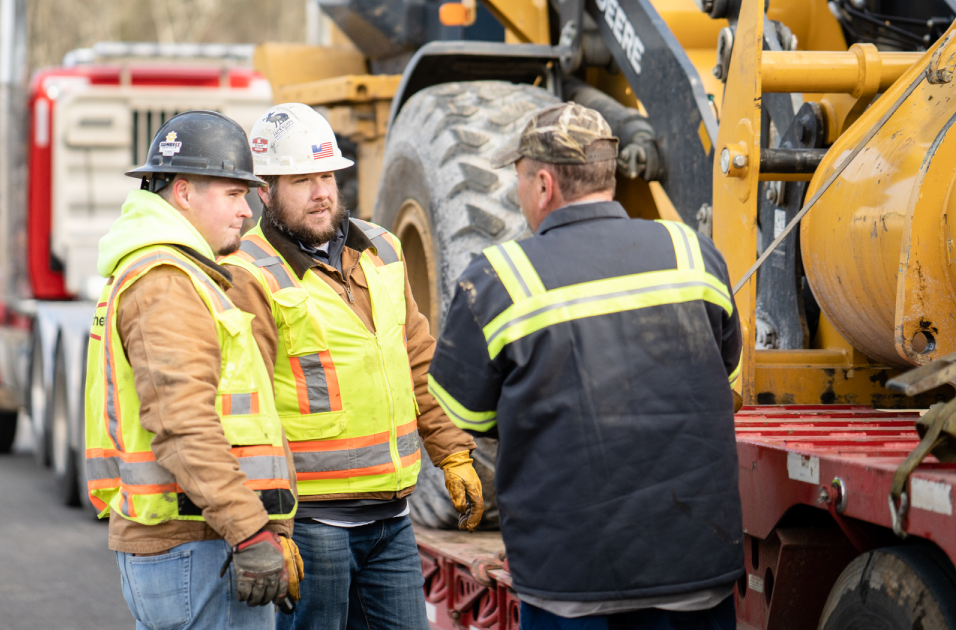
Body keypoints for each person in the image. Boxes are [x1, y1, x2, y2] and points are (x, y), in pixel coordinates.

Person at [427, 102, 744, 630]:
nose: (520, 192)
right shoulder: (693, 251)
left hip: (572, 579)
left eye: (520, 179)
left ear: (544, 184)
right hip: (698, 570)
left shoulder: (499, 277)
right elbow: (725, 384)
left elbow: (469, 419)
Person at [221, 103, 484, 630]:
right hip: (315, 522)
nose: (321, 192)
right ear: (264, 192)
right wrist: (266, 523)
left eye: (327, 175)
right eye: (302, 181)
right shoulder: (247, 273)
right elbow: (243, 412)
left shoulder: (382, 249)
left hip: (391, 517)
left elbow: (417, 358)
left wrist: (452, 451)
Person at [84, 110, 305, 630]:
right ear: (183, 192)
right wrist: (250, 531)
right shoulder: (166, 282)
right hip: (197, 546)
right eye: (232, 194)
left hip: (197, 541)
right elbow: (184, 428)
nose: (247, 212)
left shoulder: (175, 272)